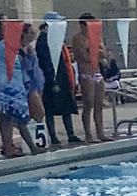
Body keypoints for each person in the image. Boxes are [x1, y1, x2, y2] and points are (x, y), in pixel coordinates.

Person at [0, 14, 44, 158]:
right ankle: (31, 147)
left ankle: (9, 147)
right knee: (19, 117)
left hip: (12, 85)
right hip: (8, 86)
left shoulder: (7, 44)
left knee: (8, 117)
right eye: (5, 21)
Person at [37, 13, 81, 146]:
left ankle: (71, 134)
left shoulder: (56, 39)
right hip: (51, 80)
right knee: (50, 109)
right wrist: (52, 79)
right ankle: (53, 136)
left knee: (66, 108)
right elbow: (45, 62)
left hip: (62, 78)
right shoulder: (44, 41)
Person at [70, 14, 112, 143]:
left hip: (97, 72)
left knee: (99, 104)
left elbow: (105, 54)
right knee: (89, 104)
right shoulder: (77, 38)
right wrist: (96, 52)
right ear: (82, 25)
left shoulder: (96, 37)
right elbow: (84, 57)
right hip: (86, 73)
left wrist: (94, 51)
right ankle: (88, 134)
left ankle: (101, 133)